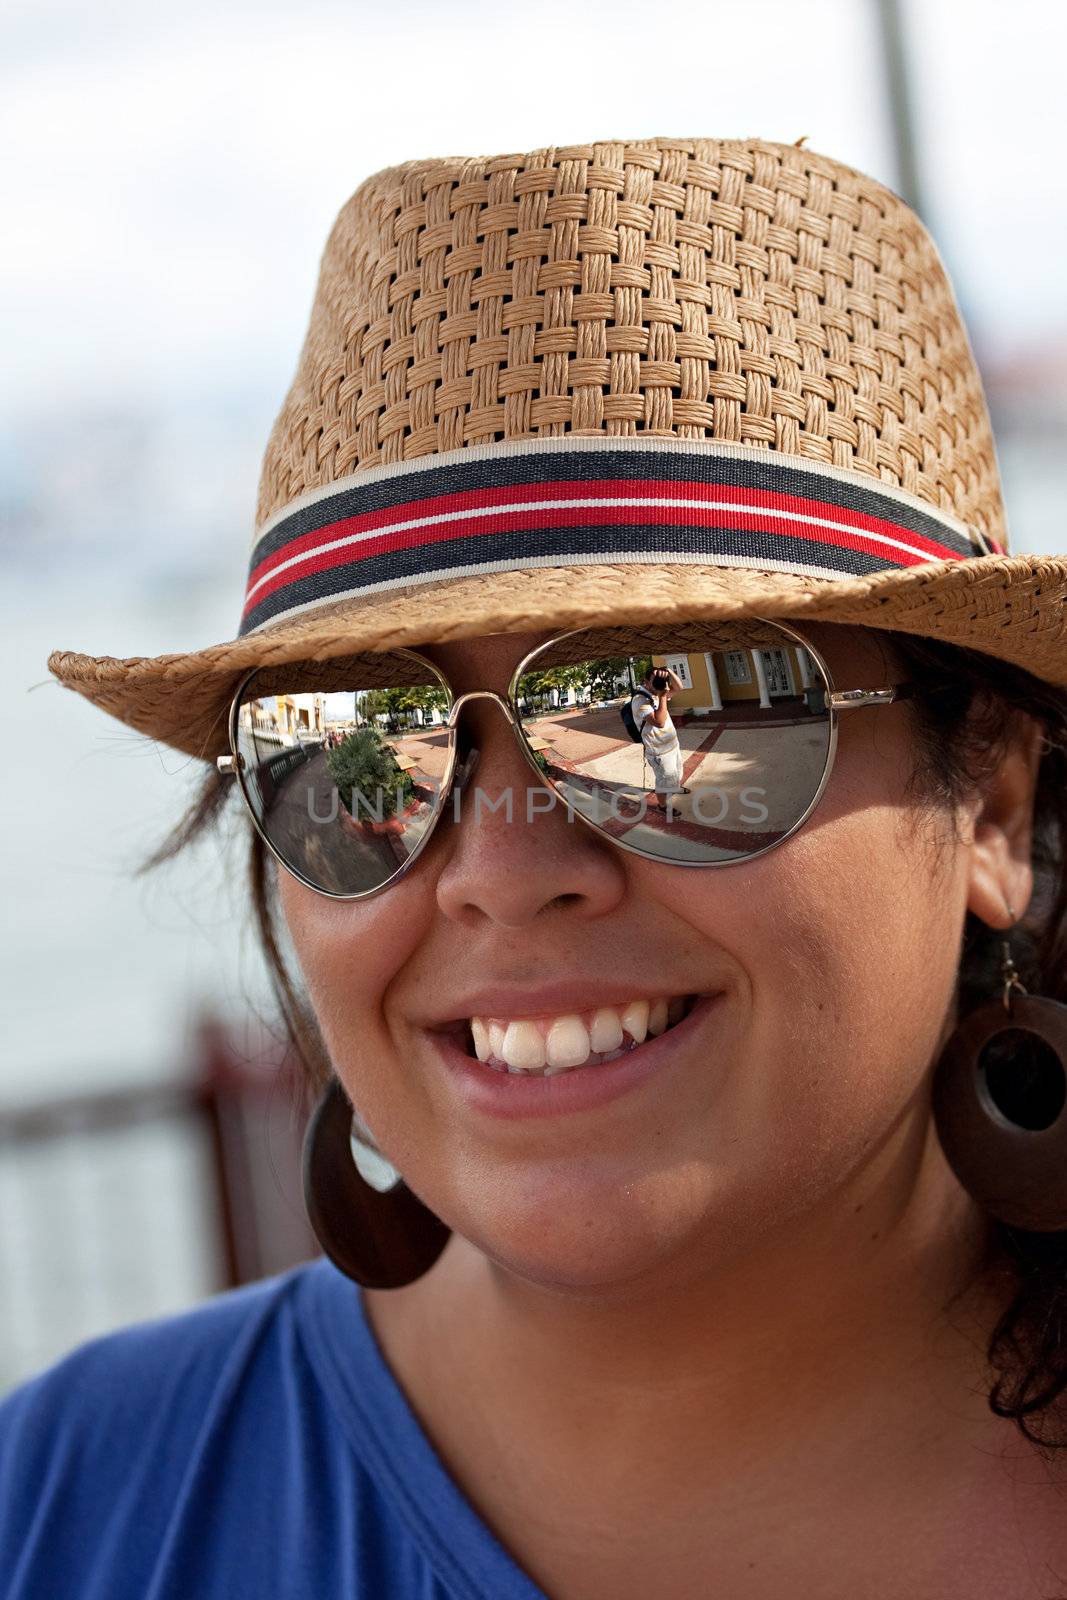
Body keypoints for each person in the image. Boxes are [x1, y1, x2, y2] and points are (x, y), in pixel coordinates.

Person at [8, 135, 1067, 1598]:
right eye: (361, 747)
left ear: (991, 807)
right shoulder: (66, 1511)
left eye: (678, 713)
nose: (499, 873)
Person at [631, 663, 690, 810]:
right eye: (654, 679)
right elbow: (659, 722)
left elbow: (679, 688)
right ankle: (662, 805)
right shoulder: (640, 700)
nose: (659, 682)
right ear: (646, 682)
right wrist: (662, 695)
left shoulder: (656, 692)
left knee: (677, 772)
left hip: (672, 745)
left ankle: (675, 787)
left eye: (660, 679)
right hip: (659, 751)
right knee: (664, 780)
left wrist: (668, 671)